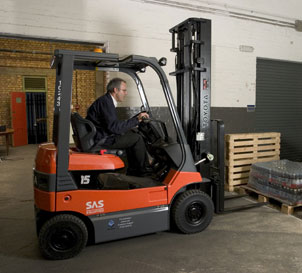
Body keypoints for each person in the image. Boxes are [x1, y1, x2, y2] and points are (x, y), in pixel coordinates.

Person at [86, 77, 150, 176]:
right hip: (103, 138)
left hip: (102, 135)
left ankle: (133, 170)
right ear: (116, 90)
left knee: (132, 134)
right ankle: (144, 171)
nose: (126, 93)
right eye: (124, 90)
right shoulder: (106, 102)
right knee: (137, 138)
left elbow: (113, 124)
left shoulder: (106, 101)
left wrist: (135, 120)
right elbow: (114, 128)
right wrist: (137, 120)